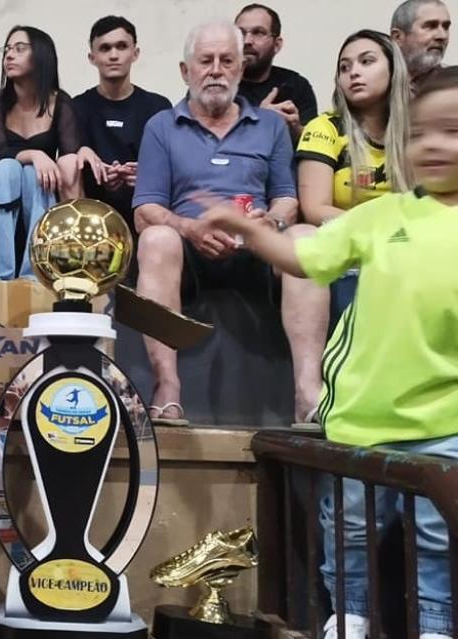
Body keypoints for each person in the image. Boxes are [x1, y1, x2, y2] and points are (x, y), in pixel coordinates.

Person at [200, 65, 458, 639]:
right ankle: (350, 615)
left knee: (438, 538)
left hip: (448, 423)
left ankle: (437, 624)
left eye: (454, 131)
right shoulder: (381, 215)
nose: (434, 145)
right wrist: (244, 227)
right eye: (421, 133)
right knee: (349, 530)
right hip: (365, 417)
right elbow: (305, 259)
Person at [131, 20, 327, 426]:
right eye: (205, 61)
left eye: (227, 61)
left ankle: (308, 394)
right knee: (156, 239)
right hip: (190, 252)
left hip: (257, 246)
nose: (216, 70)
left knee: (307, 238)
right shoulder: (161, 126)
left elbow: (287, 198)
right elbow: (145, 209)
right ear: (186, 72)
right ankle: (167, 388)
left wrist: (269, 222)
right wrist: (189, 228)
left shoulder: (271, 126)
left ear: (240, 69)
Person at [297, 30, 413, 320]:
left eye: (366, 61)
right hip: (347, 244)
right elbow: (314, 210)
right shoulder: (325, 128)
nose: (354, 73)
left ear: (393, 68)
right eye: (344, 67)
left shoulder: (418, 129)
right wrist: (379, 229)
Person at [0, 26, 80, 281]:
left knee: (33, 174)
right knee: (8, 168)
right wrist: (36, 154)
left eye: (19, 49)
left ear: (41, 56)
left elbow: (69, 159)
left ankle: (34, 274)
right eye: (7, 50)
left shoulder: (61, 103)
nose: (9, 56)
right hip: (3, 190)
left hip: (42, 199)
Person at [71, 16, 171, 228]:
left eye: (122, 46)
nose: (114, 55)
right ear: (92, 57)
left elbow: (173, 166)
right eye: (105, 48)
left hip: (145, 209)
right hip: (91, 215)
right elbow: (70, 165)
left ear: (135, 53)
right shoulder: (76, 107)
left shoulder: (158, 106)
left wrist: (146, 177)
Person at [235, 3, 318, 139]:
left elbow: (313, 145)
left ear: (277, 45)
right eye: (240, 33)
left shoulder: (296, 86)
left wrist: (296, 129)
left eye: (258, 33)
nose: (247, 41)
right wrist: (260, 118)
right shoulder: (216, 84)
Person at [391, 0, 452, 91]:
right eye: (430, 26)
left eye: (446, 27)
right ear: (397, 37)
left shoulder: (453, 83)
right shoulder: (375, 82)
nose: (442, 36)